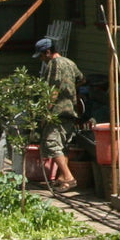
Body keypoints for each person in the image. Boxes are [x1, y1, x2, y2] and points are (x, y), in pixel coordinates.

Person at [35, 37, 84, 190]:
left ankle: (69, 177)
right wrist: (72, 93)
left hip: (57, 111)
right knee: (63, 145)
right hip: (70, 110)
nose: (42, 60)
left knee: (51, 143)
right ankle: (62, 178)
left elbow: (53, 89)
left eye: (42, 56)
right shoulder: (70, 62)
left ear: (48, 52)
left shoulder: (54, 64)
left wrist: (45, 112)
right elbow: (81, 79)